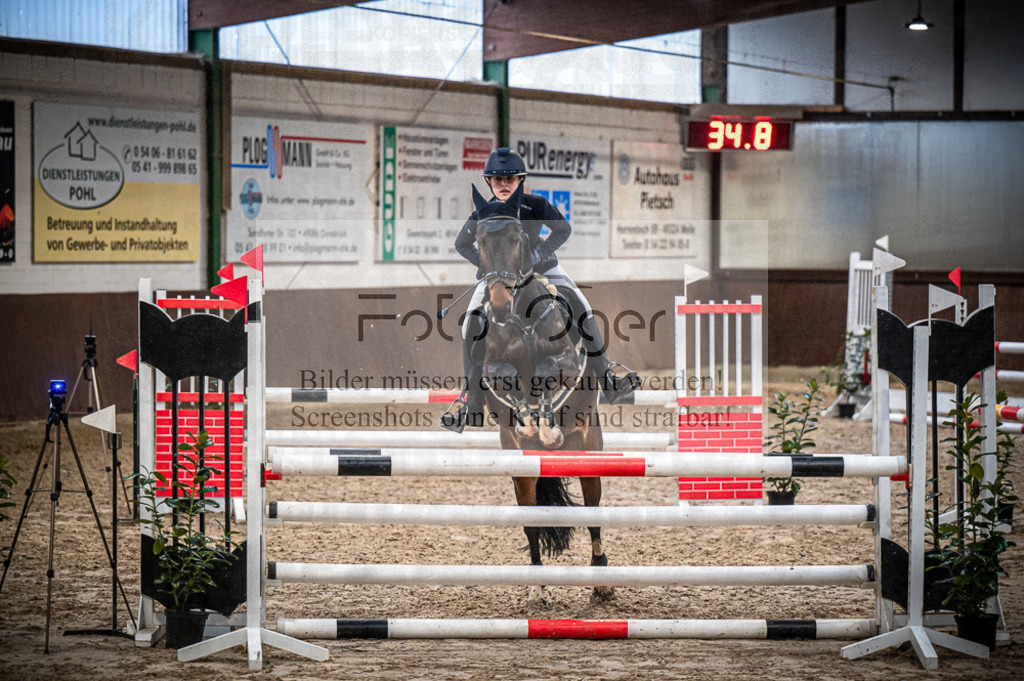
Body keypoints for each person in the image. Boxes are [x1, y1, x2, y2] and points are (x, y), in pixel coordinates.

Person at [442, 147, 640, 432]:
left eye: (510, 179)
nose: (504, 184)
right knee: (470, 322)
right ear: (489, 183)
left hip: (542, 269)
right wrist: (487, 267)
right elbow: (462, 244)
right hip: (501, 279)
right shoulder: (483, 213)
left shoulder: (535, 205)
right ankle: (471, 401)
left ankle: (608, 379)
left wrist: (539, 255)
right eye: (498, 180)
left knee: (582, 306)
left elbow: (563, 230)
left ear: (521, 179)